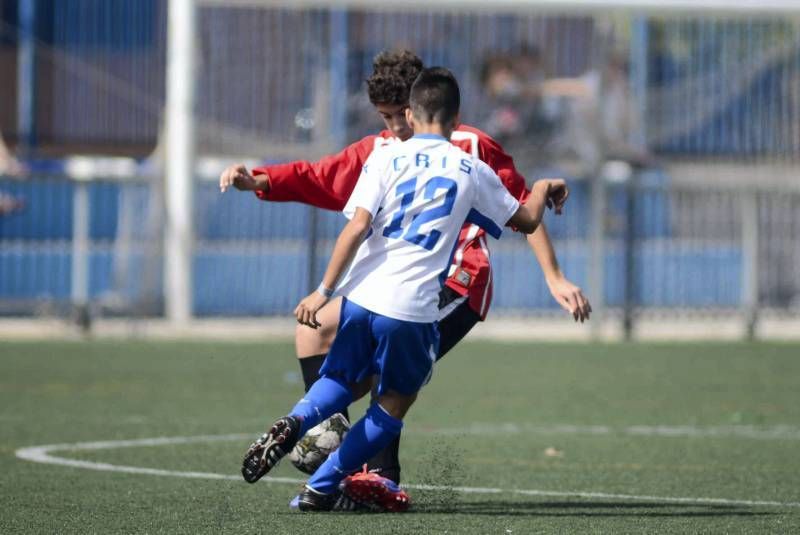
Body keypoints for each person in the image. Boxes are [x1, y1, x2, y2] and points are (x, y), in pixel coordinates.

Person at [219, 50, 591, 488]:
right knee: (314, 331)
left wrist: (554, 276)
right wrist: (258, 179)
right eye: (386, 117)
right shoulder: (379, 150)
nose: (396, 127)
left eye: (401, 115)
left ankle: (372, 471)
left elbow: (521, 207)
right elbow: (319, 176)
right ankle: (331, 443)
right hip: (390, 288)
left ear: (417, 107)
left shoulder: (471, 145)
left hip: (457, 280)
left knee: (384, 374)